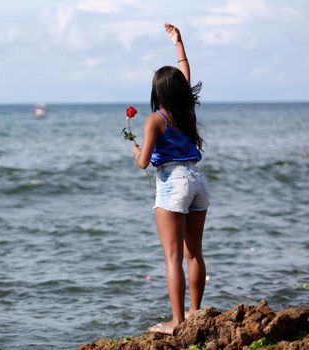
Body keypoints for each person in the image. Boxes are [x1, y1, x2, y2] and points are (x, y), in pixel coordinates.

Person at [131, 23, 210, 335]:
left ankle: (177, 323)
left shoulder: (156, 119)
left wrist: (136, 148)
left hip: (173, 183)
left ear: (157, 92)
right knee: (194, 253)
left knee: (173, 257)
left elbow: (142, 163)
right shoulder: (186, 108)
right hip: (198, 179)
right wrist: (179, 43)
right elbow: (185, 71)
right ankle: (194, 314)